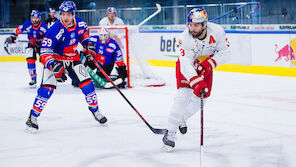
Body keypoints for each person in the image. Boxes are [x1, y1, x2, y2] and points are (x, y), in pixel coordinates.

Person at [25, 1, 107, 133]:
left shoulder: (81, 24)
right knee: (47, 89)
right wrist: (54, 65)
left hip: (73, 59)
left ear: (73, 14)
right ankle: (32, 116)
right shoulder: (54, 30)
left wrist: (89, 46)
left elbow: (85, 37)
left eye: (68, 14)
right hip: (55, 60)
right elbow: (44, 52)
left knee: (88, 85)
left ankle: (95, 110)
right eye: (63, 14)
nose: (65, 17)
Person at [162, 8, 231, 151]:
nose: (191, 28)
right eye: (190, 24)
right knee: (183, 95)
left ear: (204, 25)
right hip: (187, 66)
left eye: (196, 25)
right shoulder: (184, 38)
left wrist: (210, 63)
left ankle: (181, 119)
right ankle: (170, 131)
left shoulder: (217, 31)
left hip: (206, 65)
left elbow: (226, 53)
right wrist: (195, 81)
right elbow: (185, 64)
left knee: (202, 99)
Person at [8, 10, 47, 87]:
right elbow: (19, 29)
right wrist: (14, 36)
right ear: (31, 18)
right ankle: (33, 79)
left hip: (41, 45)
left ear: (39, 18)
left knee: (45, 61)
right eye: (33, 18)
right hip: (31, 43)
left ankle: (46, 79)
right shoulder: (28, 24)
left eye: (37, 18)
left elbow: (48, 37)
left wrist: (42, 41)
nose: (35, 20)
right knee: (30, 59)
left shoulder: (43, 26)